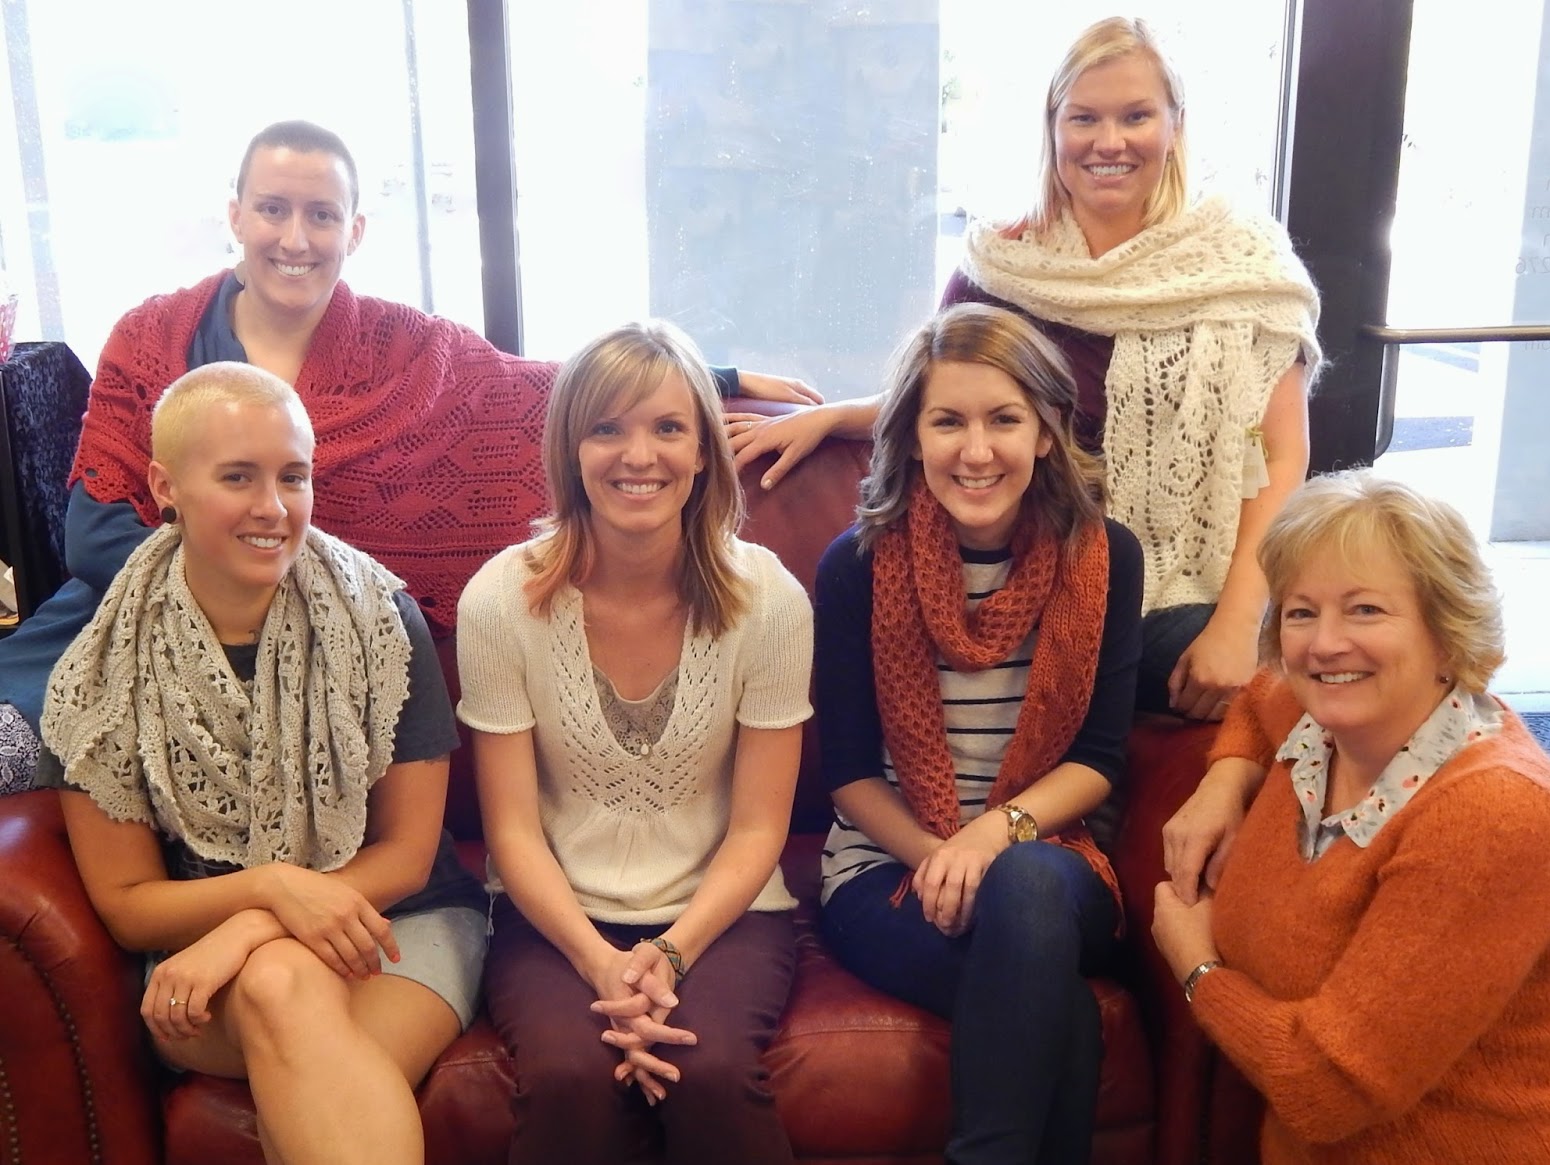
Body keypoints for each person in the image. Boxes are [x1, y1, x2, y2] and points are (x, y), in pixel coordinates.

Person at [0, 119, 818, 794]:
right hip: (130, 631)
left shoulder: (408, 350)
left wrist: (715, 378)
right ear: (236, 215)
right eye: (273, 209)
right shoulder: (151, 337)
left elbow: (544, 388)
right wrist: (233, 600)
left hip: (324, 658)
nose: (295, 237)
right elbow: (93, 533)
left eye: (322, 215)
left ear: (354, 230)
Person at [728, 16, 1320, 720]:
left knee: (1305, 680)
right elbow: (942, 392)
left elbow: (1280, 455)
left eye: (1136, 116)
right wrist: (832, 417)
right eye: (1084, 118)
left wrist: (1236, 624)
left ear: (1175, 125)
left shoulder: (1243, 264)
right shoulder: (1004, 261)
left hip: (1175, 591)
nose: (1109, 142)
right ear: (1053, 127)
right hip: (1022, 573)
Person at [37, 363, 486, 1165]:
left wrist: (251, 923)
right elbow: (127, 903)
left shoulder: (382, 621)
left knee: (285, 999)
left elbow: (409, 856)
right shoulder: (100, 671)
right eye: (238, 476)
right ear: (165, 486)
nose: (274, 507)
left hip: (398, 926)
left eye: (293, 476)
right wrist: (272, 888)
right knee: (282, 984)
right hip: (207, 972)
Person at [1152, 470, 1550, 1163]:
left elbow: (1325, 1088)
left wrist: (1196, 964)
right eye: (1301, 612)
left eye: (1365, 610)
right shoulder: (1325, 719)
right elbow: (1260, 696)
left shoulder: (1491, 817)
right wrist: (1224, 777)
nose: (1325, 644)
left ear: (1446, 631)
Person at [455, 320, 812, 1165]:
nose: (638, 455)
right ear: (570, 450)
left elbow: (759, 828)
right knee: (572, 1076)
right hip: (555, 914)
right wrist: (598, 962)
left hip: (723, 911)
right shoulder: (499, 599)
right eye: (606, 428)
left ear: (703, 452)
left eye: (668, 427)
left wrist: (669, 953)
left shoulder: (770, 599)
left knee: (707, 1068)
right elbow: (512, 832)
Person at [815, 303, 1142, 1164]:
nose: (976, 449)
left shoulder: (1108, 556)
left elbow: (1099, 758)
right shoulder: (854, 566)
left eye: (1003, 419)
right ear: (911, 436)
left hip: (1051, 858)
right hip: (886, 868)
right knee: (1061, 1016)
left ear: (1046, 431)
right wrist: (937, 856)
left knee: (1024, 883)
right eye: (947, 421)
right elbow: (847, 771)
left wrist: (989, 838)